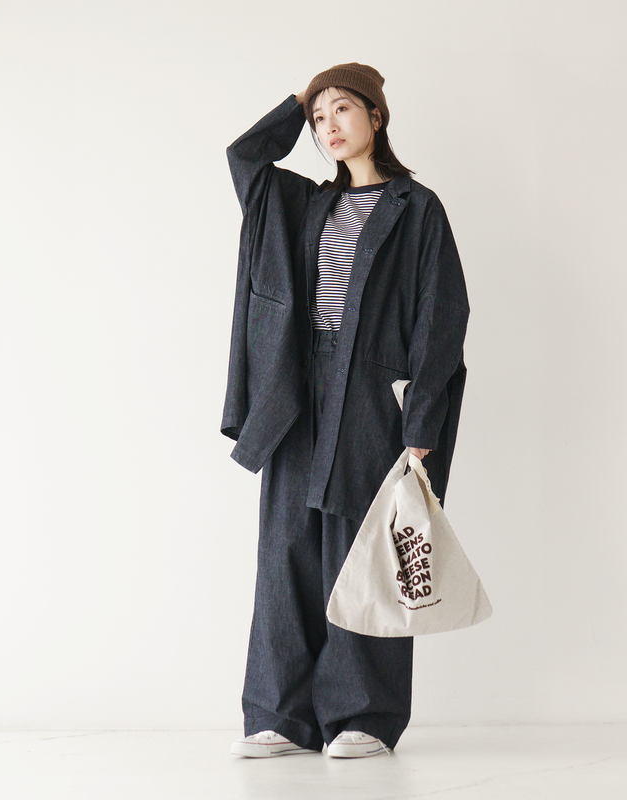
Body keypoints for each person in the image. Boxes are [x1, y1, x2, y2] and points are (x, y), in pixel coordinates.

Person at [221, 63, 470, 759]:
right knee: (286, 550)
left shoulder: (416, 209)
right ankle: (280, 716)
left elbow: (441, 319)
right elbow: (245, 159)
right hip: (295, 392)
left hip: (371, 391)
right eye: (317, 117)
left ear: (376, 116)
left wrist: (421, 424)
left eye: (342, 109)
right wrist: (298, 100)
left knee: (364, 553)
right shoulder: (302, 203)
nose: (328, 126)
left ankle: (364, 715)